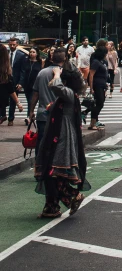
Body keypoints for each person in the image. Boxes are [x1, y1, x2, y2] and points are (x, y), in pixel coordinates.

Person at [34, 63, 90, 218]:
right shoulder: (68, 96)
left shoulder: (69, 93)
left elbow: (56, 87)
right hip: (58, 136)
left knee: (53, 171)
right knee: (51, 171)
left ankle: (72, 195)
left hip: (61, 138)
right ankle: (51, 207)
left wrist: (57, 74)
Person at [30, 47, 67, 152]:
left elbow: (35, 95)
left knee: (41, 143)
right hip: (60, 114)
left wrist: (31, 111)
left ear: (51, 58)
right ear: (64, 60)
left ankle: (39, 166)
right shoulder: (64, 73)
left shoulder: (42, 73)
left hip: (43, 114)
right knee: (58, 145)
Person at [1, 37, 26, 126]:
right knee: (3, 98)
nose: (12, 46)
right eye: (10, 44)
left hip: (14, 81)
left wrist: (21, 82)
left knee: (12, 101)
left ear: (17, 45)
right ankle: (3, 115)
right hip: (4, 79)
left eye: (14, 44)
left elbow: (23, 70)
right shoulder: (4, 54)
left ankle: (10, 118)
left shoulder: (21, 55)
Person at [88, 39, 108, 129]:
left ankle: (94, 121)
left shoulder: (101, 62)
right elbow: (91, 75)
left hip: (102, 84)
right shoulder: (96, 62)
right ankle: (92, 123)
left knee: (100, 103)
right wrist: (91, 88)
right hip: (97, 85)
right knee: (99, 103)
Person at [20, 47, 43, 125]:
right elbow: (23, 73)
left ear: (37, 54)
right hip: (27, 85)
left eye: (33, 52)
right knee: (29, 101)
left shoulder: (39, 62)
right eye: (30, 52)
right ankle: (31, 116)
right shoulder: (26, 62)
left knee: (31, 100)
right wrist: (21, 83)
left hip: (35, 85)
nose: (31, 54)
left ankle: (29, 117)